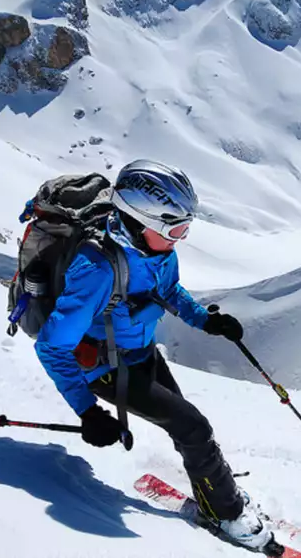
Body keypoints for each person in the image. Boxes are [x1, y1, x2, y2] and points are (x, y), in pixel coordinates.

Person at [34, 159, 272, 550]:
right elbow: (52, 345)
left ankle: (216, 495)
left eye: (185, 228)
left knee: (188, 425)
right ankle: (226, 514)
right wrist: (87, 411)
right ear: (140, 221)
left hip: (141, 352)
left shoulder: (158, 250)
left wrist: (206, 321)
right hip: (106, 369)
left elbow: (169, 291)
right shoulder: (96, 270)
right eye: (175, 229)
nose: (181, 237)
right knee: (193, 426)